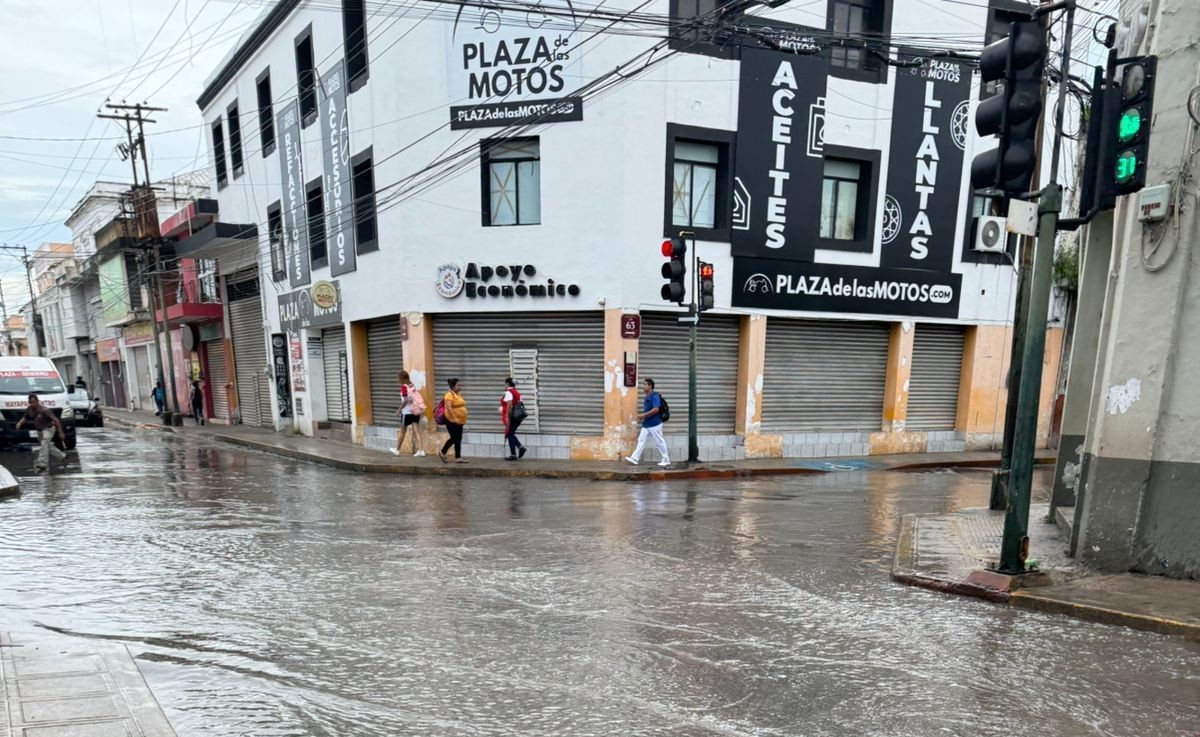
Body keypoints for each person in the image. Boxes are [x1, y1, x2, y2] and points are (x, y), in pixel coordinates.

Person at [15, 393, 67, 474]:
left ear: (37, 401)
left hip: (49, 428)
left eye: (33, 402)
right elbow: (25, 417)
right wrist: (19, 423)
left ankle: (42, 463)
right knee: (46, 446)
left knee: (44, 443)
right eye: (30, 402)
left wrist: (60, 433)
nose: (32, 404)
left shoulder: (45, 410)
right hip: (39, 430)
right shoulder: (29, 409)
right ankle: (61, 456)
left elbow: (56, 420)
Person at [625, 378, 670, 467]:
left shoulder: (655, 396)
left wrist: (644, 415)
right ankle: (635, 458)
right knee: (641, 440)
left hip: (655, 424)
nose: (643, 386)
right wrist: (644, 417)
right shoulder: (647, 395)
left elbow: (656, 409)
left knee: (659, 441)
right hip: (647, 424)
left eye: (645, 384)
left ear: (650, 386)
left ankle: (666, 459)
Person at [392, 370, 426, 457]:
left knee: (402, 432)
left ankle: (397, 450)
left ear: (402, 378)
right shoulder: (411, 385)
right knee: (416, 430)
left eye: (398, 378)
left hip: (406, 412)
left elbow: (405, 401)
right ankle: (421, 450)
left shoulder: (404, 387)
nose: (398, 380)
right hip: (414, 411)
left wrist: (399, 410)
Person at [438, 378, 468, 464]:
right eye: (458, 385)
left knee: (458, 438)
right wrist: (455, 418)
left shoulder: (457, 394)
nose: (460, 386)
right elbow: (448, 407)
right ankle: (443, 451)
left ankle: (458, 457)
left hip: (459, 421)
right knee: (455, 438)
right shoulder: (449, 394)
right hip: (451, 420)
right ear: (453, 386)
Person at [500, 377, 526, 461]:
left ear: (507, 384)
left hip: (512, 417)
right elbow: (520, 403)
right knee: (511, 433)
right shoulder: (517, 392)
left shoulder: (508, 392)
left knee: (510, 434)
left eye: (505, 384)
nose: (504, 385)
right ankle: (520, 448)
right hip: (518, 416)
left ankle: (513, 454)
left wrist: (507, 416)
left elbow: (509, 404)